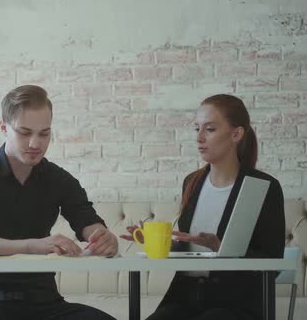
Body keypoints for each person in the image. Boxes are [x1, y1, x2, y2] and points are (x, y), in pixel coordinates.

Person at [0, 85, 119, 320]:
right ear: (3, 128)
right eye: (25, 132)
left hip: (46, 301)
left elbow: (87, 221)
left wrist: (104, 238)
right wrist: (34, 245)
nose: (35, 143)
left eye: (44, 133)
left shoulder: (58, 178)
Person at [121, 94, 285, 320]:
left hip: (235, 302)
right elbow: (190, 250)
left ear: (236, 134)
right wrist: (157, 243)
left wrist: (223, 249)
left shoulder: (264, 187)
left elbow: (273, 263)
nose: (199, 138)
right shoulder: (192, 182)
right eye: (196, 128)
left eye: (210, 129)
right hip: (185, 297)